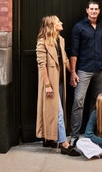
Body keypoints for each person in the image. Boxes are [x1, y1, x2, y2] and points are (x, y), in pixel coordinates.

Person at [70, 0, 102, 146]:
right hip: (83, 69)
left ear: (99, 11)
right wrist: (73, 72)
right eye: (91, 9)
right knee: (78, 101)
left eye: (96, 9)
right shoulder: (79, 27)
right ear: (87, 10)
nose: (94, 11)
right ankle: (75, 135)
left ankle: (93, 134)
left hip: (101, 69)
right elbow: (74, 52)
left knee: (97, 102)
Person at [35, 15, 79, 156]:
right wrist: (47, 85)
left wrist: (72, 72)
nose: (61, 22)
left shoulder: (60, 40)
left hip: (60, 81)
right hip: (50, 82)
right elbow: (42, 65)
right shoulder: (42, 42)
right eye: (58, 21)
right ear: (52, 26)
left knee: (55, 111)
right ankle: (64, 144)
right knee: (57, 112)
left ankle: (49, 139)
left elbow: (65, 59)